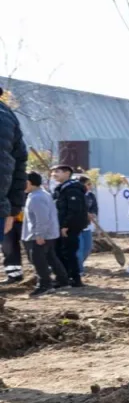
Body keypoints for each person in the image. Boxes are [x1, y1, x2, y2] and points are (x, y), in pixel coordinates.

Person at [21, 172, 68, 296]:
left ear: (29, 182)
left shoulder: (36, 198)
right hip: (48, 234)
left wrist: (39, 234)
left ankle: (45, 285)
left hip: (41, 235)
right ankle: (63, 280)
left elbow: (42, 218)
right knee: (51, 258)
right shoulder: (41, 194)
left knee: (38, 260)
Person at [2, 90, 27, 284]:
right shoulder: (9, 115)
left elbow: (19, 165)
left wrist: (12, 210)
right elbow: (19, 166)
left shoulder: (8, 116)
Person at [49, 164, 88, 288]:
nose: (54, 174)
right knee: (60, 251)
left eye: (57, 171)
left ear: (67, 173)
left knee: (68, 252)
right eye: (53, 172)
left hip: (69, 227)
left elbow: (74, 209)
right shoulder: (61, 188)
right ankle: (64, 278)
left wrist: (66, 225)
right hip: (61, 225)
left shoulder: (72, 189)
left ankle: (74, 279)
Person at [75, 174, 98, 270]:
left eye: (90, 184)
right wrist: (84, 213)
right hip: (75, 226)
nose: (90, 186)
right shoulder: (74, 195)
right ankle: (79, 270)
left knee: (87, 248)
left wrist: (93, 214)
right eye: (88, 184)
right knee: (79, 249)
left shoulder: (91, 195)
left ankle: (78, 264)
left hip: (87, 226)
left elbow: (94, 208)